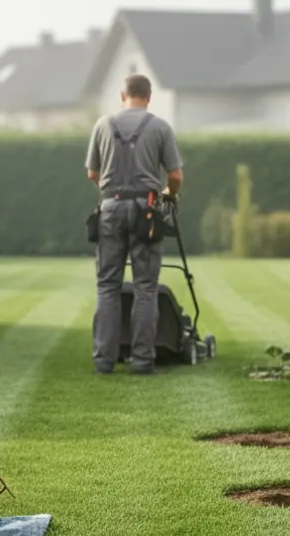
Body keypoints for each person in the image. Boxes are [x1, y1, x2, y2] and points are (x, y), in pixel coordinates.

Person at [85, 74, 184, 375]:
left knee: (107, 286)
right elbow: (175, 176)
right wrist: (167, 197)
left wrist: (110, 196)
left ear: (122, 96)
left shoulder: (102, 125)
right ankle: (142, 361)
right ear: (149, 97)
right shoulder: (160, 127)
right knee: (145, 287)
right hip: (147, 210)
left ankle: (104, 360)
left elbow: (92, 173)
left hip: (110, 208)